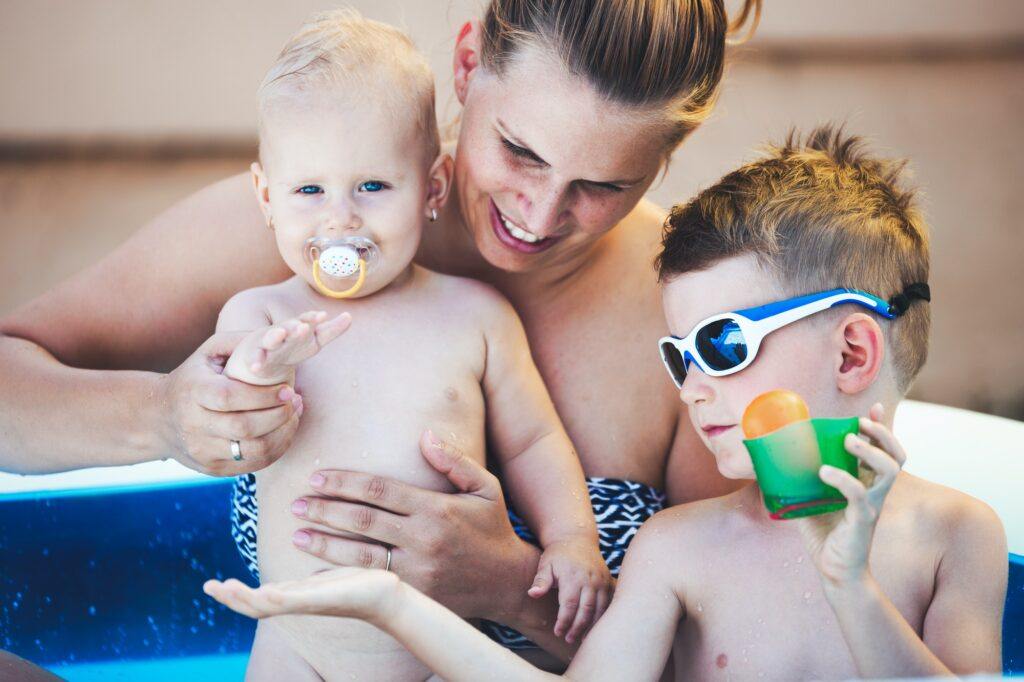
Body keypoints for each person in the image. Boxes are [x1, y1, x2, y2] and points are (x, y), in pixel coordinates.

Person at [0, 0, 757, 663]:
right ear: (466, 64)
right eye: (520, 151)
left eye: (601, 186)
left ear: (662, 164)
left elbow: (732, 653)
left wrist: (508, 588)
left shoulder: (682, 318)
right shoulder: (301, 218)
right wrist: (163, 417)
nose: (539, 212)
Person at [204, 128, 1008, 680]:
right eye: (679, 354)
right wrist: (391, 604)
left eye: (723, 347)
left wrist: (852, 592)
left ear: (853, 350)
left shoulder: (954, 537)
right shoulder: (680, 549)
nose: (692, 387)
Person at [218, 11, 612, 678]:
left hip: (438, 649)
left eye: (373, 186)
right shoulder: (258, 314)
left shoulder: (475, 316)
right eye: (309, 190)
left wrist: (573, 541)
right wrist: (256, 376)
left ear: (432, 187)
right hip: (297, 643)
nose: (340, 217)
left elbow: (534, 443)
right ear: (266, 197)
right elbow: (223, 426)